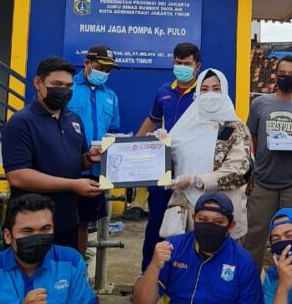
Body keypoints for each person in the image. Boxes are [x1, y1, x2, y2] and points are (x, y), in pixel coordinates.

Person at [2, 56, 103, 251]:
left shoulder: (73, 119)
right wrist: (73, 185)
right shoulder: (21, 122)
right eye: (57, 84)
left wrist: (90, 157)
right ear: (38, 83)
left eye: (68, 85)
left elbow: (79, 161)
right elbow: (18, 176)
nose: (63, 90)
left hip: (67, 220)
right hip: (31, 226)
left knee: (63, 276)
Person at [244, 54, 292, 268]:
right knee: (253, 237)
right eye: (282, 74)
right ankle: (249, 286)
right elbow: (253, 140)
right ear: (275, 76)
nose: (287, 78)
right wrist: (251, 171)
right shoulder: (259, 104)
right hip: (263, 181)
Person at [136, 42, 201, 271]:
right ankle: (148, 275)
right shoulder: (164, 91)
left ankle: (182, 278)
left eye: (187, 64)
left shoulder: (204, 92)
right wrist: (132, 148)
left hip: (192, 169)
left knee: (187, 227)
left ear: (197, 66)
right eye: (178, 63)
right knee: (155, 224)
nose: (181, 67)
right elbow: (152, 119)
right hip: (163, 169)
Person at [166, 68, 252, 239]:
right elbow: (168, 162)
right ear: (197, 92)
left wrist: (196, 180)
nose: (210, 94)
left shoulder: (235, 128)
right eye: (204, 89)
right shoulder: (185, 126)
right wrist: (159, 145)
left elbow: (239, 173)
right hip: (187, 214)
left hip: (223, 216)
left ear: (225, 91)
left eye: (216, 89)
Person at [132, 192, 263, 304]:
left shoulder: (243, 262)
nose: (209, 226)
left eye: (218, 222)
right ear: (194, 219)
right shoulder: (172, 248)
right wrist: (154, 266)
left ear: (230, 226)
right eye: (203, 219)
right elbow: (142, 301)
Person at [0, 194, 97, 304]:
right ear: (8, 236)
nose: (38, 237)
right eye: (27, 231)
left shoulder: (71, 262)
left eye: (45, 229)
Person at [67, 44, 120, 255]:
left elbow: (114, 131)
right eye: (101, 67)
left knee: (83, 224)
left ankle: (77, 272)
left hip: (95, 171)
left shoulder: (111, 96)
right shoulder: (68, 88)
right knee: (59, 221)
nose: (104, 73)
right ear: (87, 63)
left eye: (108, 70)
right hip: (68, 168)